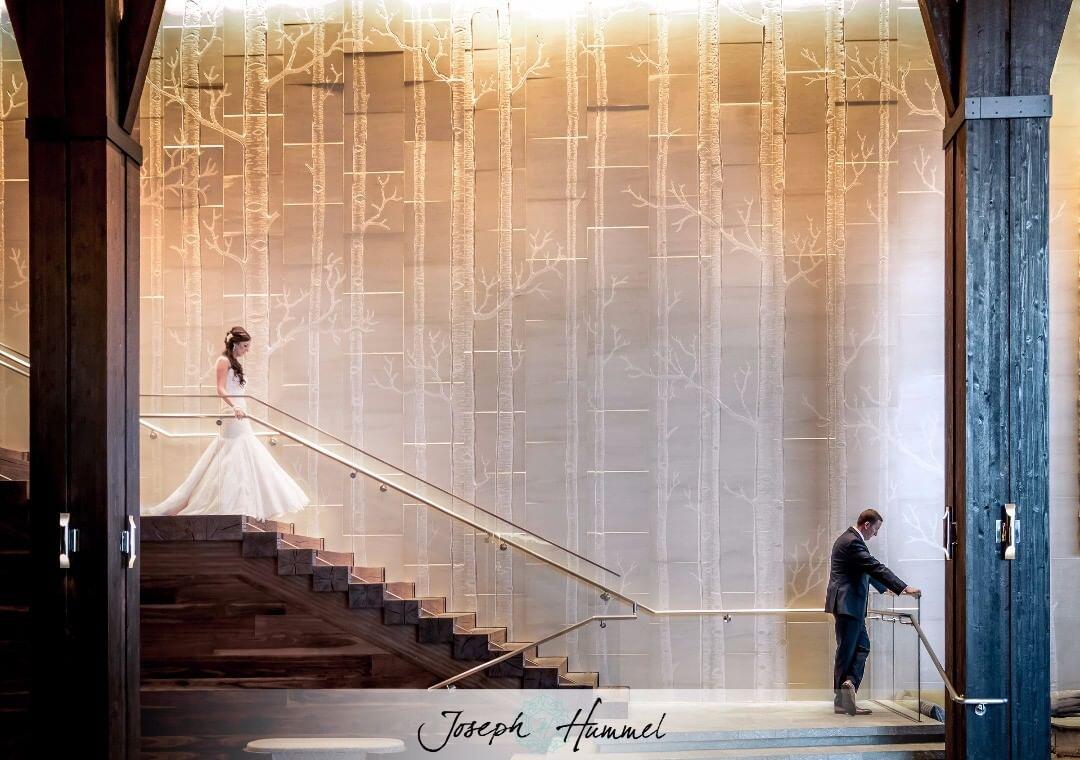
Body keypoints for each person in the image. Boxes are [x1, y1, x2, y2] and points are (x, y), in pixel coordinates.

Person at [144, 326, 309, 520]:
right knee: (236, 450)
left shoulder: (235, 362)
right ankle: (228, 503)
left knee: (242, 451)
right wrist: (234, 407)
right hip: (232, 413)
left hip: (240, 412)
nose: (247, 350)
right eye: (245, 346)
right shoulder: (223, 361)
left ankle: (241, 502)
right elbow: (220, 389)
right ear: (235, 344)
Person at [824, 508, 921, 716]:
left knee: (861, 647)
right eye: (875, 529)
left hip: (849, 605)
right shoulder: (852, 542)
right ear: (866, 525)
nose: (875, 534)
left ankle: (848, 684)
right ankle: (841, 699)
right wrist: (902, 587)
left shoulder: (850, 541)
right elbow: (874, 566)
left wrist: (883, 588)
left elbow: (865, 569)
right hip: (847, 604)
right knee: (846, 651)